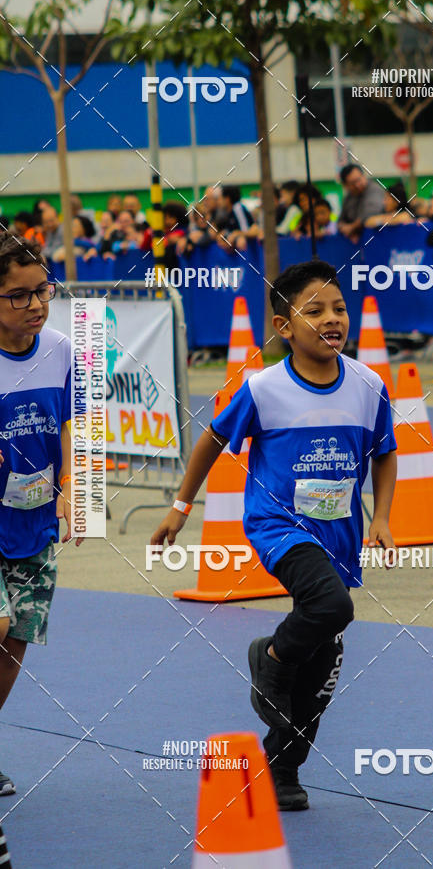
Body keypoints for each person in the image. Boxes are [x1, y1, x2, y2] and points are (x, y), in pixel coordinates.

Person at [150, 260, 397, 811]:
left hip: (341, 533)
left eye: (337, 308)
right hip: (278, 525)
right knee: (331, 607)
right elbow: (211, 440)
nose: (331, 319)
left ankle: (282, 768)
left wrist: (381, 518)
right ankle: (271, 657)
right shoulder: (263, 389)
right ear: (284, 327)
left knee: (323, 665)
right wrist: (180, 506)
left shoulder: (368, 384)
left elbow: (385, 454)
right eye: (314, 311)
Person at [0, 232, 82, 796]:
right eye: (18, 296)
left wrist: (76, 486)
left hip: (34, 524)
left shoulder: (62, 350)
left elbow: (77, 422)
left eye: (42, 291)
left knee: (15, 641)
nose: (35, 305)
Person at [337, 164, 385, 242]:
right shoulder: (348, 197)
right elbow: (341, 220)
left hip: (378, 239)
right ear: (345, 185)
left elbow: (369, 215)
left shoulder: (374, 190)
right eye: (352, 183)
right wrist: (343, 228)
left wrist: (352, 228)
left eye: (358, 180)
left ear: (363, 176)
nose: (357, 185)